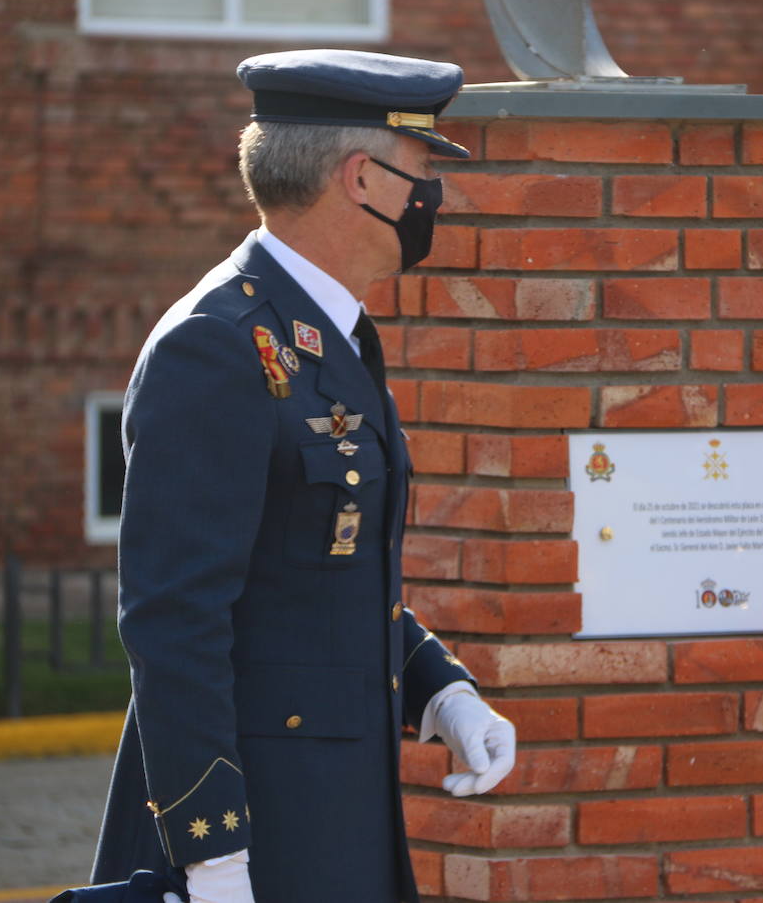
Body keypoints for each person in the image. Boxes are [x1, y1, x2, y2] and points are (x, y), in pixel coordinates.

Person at [87, 49, 516, 903]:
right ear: (361, 178)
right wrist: (212, 852)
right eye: (422, 172)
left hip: (338, 814)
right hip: (258, 832)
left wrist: (438, 690)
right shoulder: (217, 343)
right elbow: (175, 618)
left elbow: (316, 570)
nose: (431, 198)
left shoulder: (326, 330)